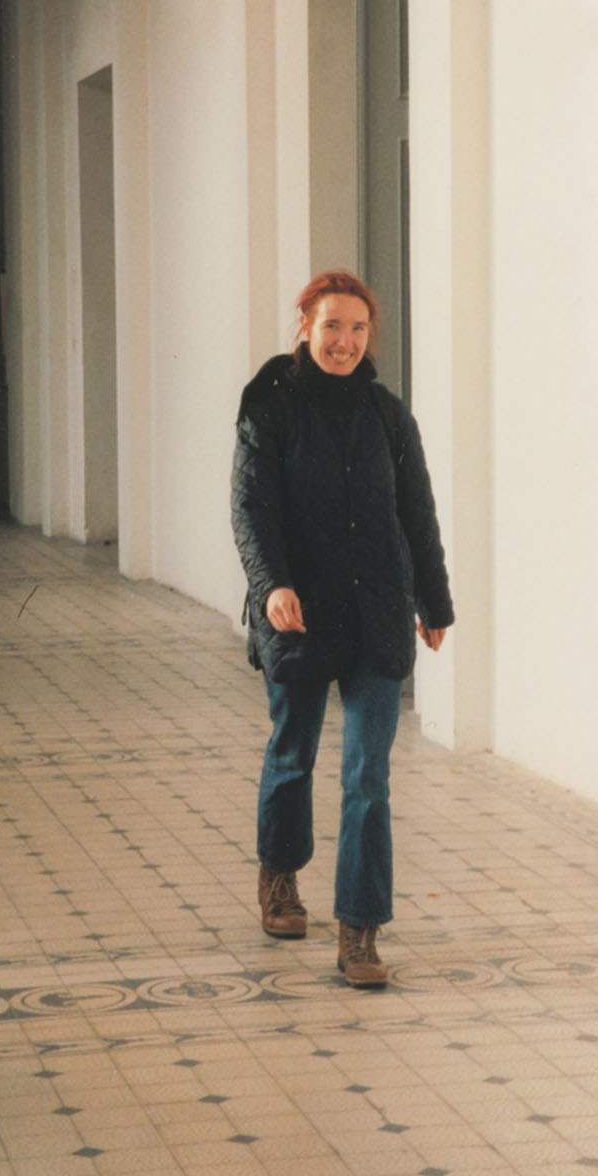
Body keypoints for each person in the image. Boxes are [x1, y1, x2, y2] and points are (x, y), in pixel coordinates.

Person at [231, 270, 453, 989]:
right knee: (292, 754)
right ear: (305, 326)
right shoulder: (270, 408)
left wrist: (435, 601)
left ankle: (359, 928)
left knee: (368, 776)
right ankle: (280, 877)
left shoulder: (389, 416)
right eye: (332, 326)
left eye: (358, 329)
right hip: (296, 610)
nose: (345, 342)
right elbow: (251, 510)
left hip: (377, 611)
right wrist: (271, 587)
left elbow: (415, 513)